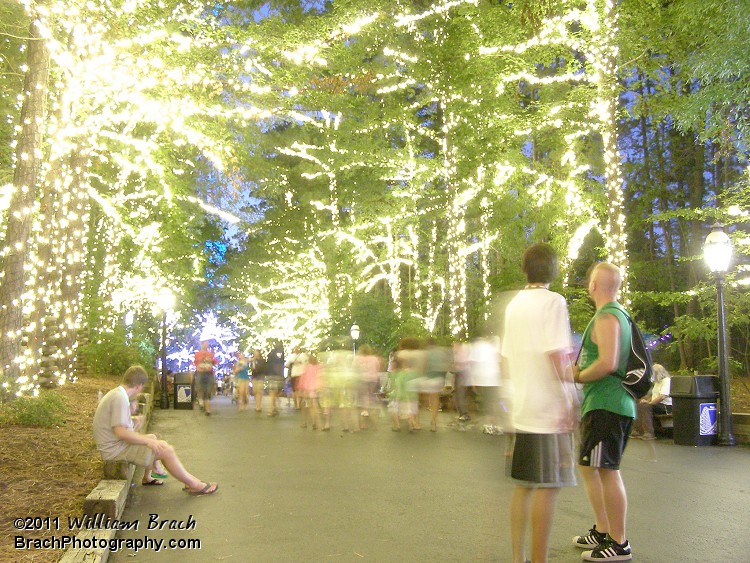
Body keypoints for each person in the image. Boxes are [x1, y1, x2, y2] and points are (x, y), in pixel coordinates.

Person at [501, 243, 578, 563]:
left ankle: (519, 557)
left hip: (522, 406)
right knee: (548, 485)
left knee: (525, 486)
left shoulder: (514, 305)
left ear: (525, 268)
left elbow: (506, 358)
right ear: (553, 269)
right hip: (547, 408)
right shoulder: (553, 302)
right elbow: (557, 355)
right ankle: (539, 560)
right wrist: (570, 400)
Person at [572, 262, 636, 561]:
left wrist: (578, 375)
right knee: (590, 467)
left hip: (607, 404)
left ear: (594, 285)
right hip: (606, 404)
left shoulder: (608, 316)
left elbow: (608, 363)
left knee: (607, 470)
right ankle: (602, 529)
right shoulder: (615, 314)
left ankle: (618, 542)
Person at [93, 365, 218, 495]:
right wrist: (147, 442)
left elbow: (121, 430)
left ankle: (148, 477)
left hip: (115, 446)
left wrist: (136, 424)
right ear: (139, 386)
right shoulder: (119, 398)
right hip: (114, 451)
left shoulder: (118, 394)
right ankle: (195, 485)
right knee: (166, 450)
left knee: (153, 438)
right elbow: (121, 433)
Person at [631, 363, 671, 440]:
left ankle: (649, 432)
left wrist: (650, 403)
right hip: (656, 404)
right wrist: (646, 400)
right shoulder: (656, 382)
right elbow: (653, 396)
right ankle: (637, 430)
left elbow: (662, 396)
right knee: (639, 405)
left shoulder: (666, 381)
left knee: (646, 407)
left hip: (665, 405)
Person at [193, 341, 217, 416]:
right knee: (200, 388)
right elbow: (196, 362)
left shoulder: (211, 354)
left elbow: (215, 362)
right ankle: (201, 402)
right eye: (205, 344)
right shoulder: (197, 354)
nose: (206, 345)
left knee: (208, 390)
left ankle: (207, 409)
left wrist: (211, 361)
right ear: (202, 345)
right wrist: (203, 359)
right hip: (200, 372)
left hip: (209, 373)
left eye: (207, 344)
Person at [266, 341, 285, 416]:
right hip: (277, 375)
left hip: (272, 374)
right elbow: (280, 363)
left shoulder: (271, 353)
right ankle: (272, 408)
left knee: (273, 392)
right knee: (274, 392)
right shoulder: (280, 352)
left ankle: (273, 407)